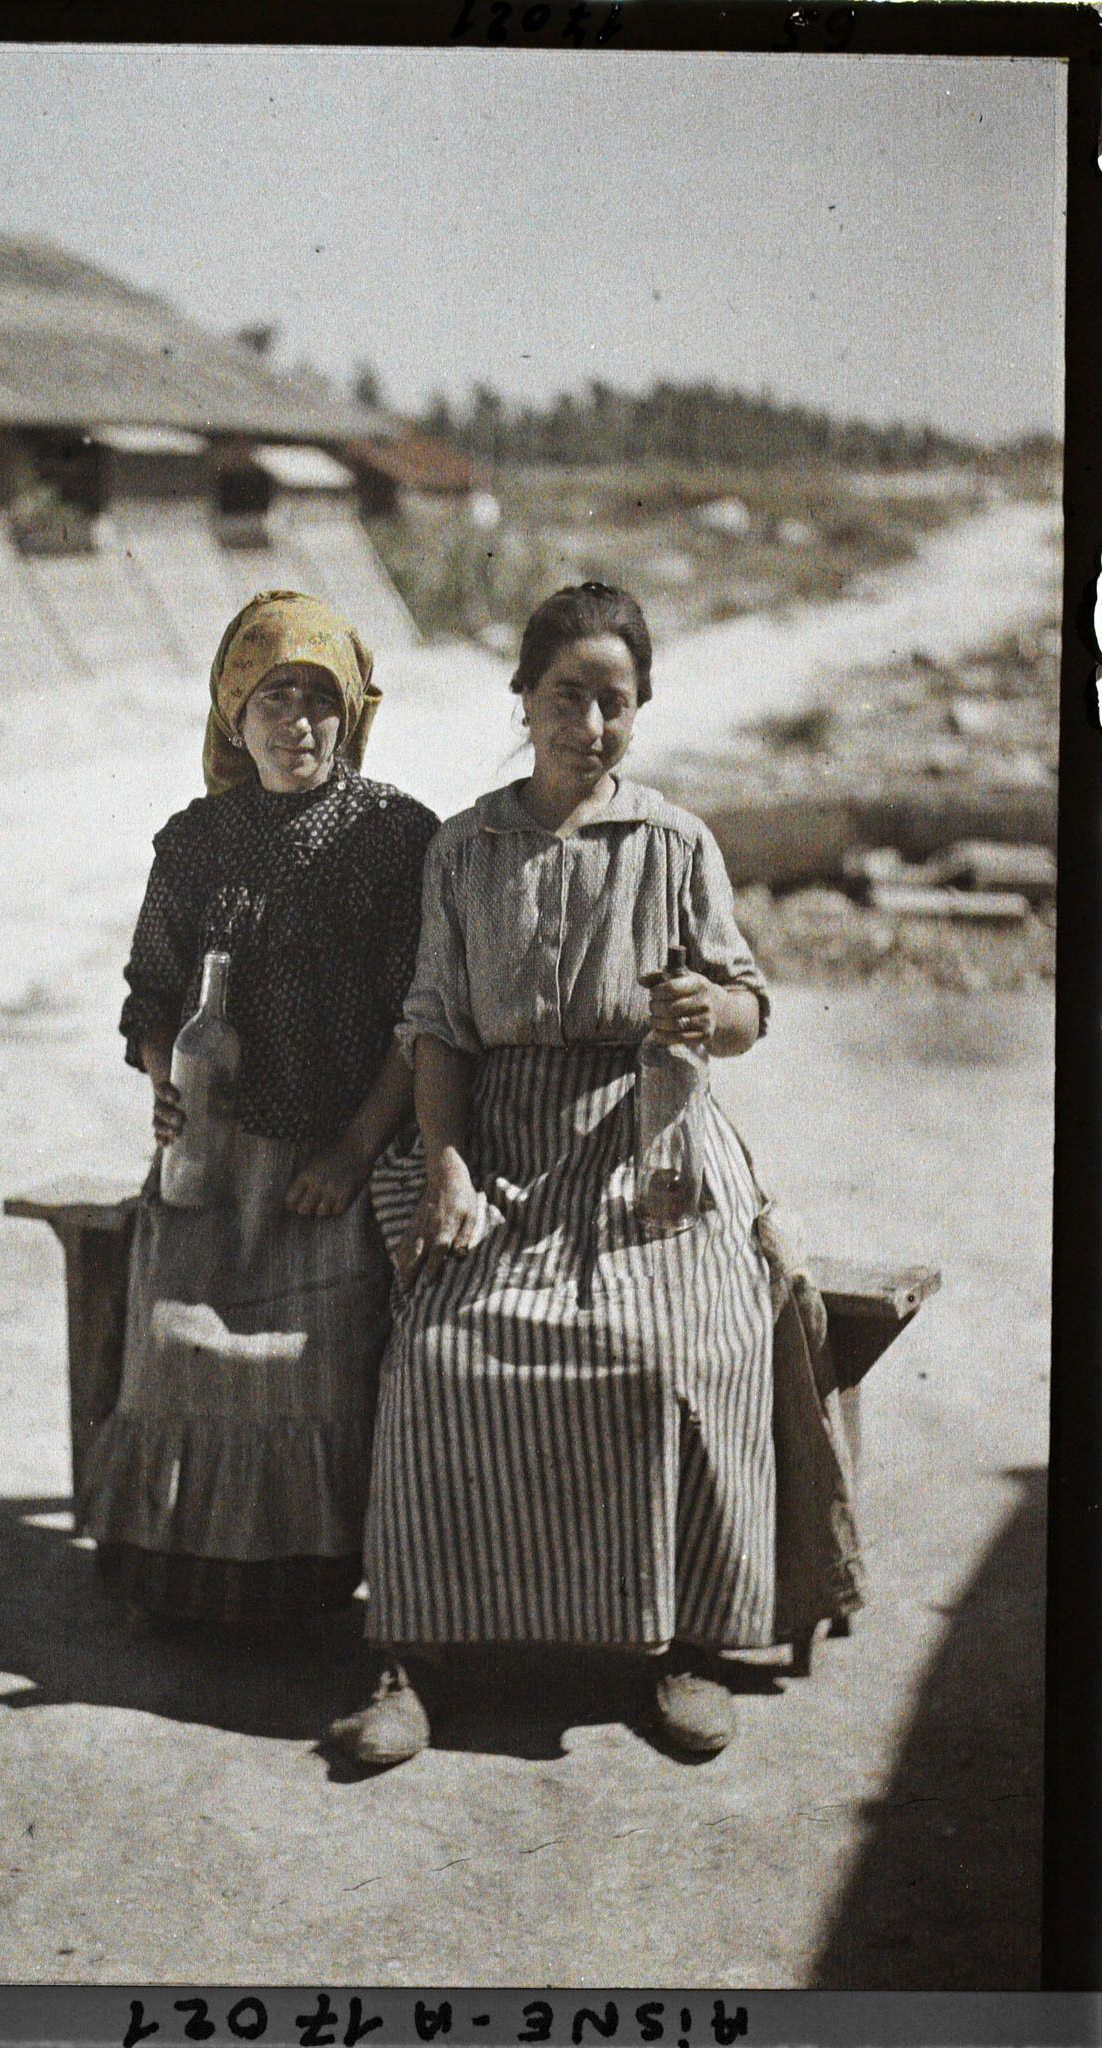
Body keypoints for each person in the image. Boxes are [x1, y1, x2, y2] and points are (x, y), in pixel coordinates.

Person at [328, 580, 856, 1766]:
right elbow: (437, 1027)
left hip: (649, 1143)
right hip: (502, 1149)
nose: (591, 725)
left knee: (681, 1346)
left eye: (615, 702)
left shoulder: (673, 844)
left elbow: (748, 1010)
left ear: (641, 710)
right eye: (567, 696)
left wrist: (704, 1009)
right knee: (438, 1353)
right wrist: (450, 1166)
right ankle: (413, 1657)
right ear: (524, 699)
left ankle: (683, 1643)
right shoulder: (463, 849)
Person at [79, 590, 439, 1626]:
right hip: (211, 1159)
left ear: (352, 716)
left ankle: (300, 1591)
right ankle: (176, 1579)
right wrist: (163, 1083)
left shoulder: (396, 837)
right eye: (273, 699)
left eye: (320, 701)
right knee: (170, 1337)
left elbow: (418, 1019)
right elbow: (150, 995)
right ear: (233, 714)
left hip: (333, 1166)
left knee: (307, 1363)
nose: (298, 725)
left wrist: (354, 1150)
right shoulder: (192, 843)